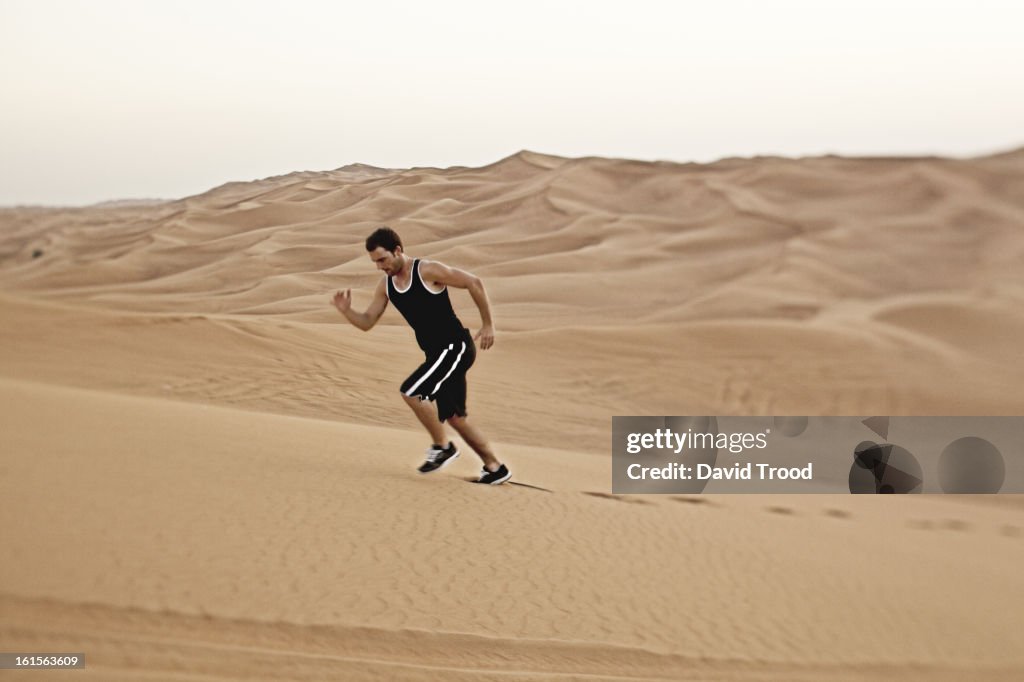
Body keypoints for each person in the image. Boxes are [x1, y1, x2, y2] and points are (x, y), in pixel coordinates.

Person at [331, 227, 512, 485]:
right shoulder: (386, 286)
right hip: (437, 355)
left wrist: (488, 324)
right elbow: (367, 321)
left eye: (382, 259)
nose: (379, 267)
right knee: (455, 418)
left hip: (455, 347)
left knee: (412, 391)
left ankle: (443, 447)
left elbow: (473, 282)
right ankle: (496, 468)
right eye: (375, 262)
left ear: (397, 251)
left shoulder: (426, 270)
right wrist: (347, 311)